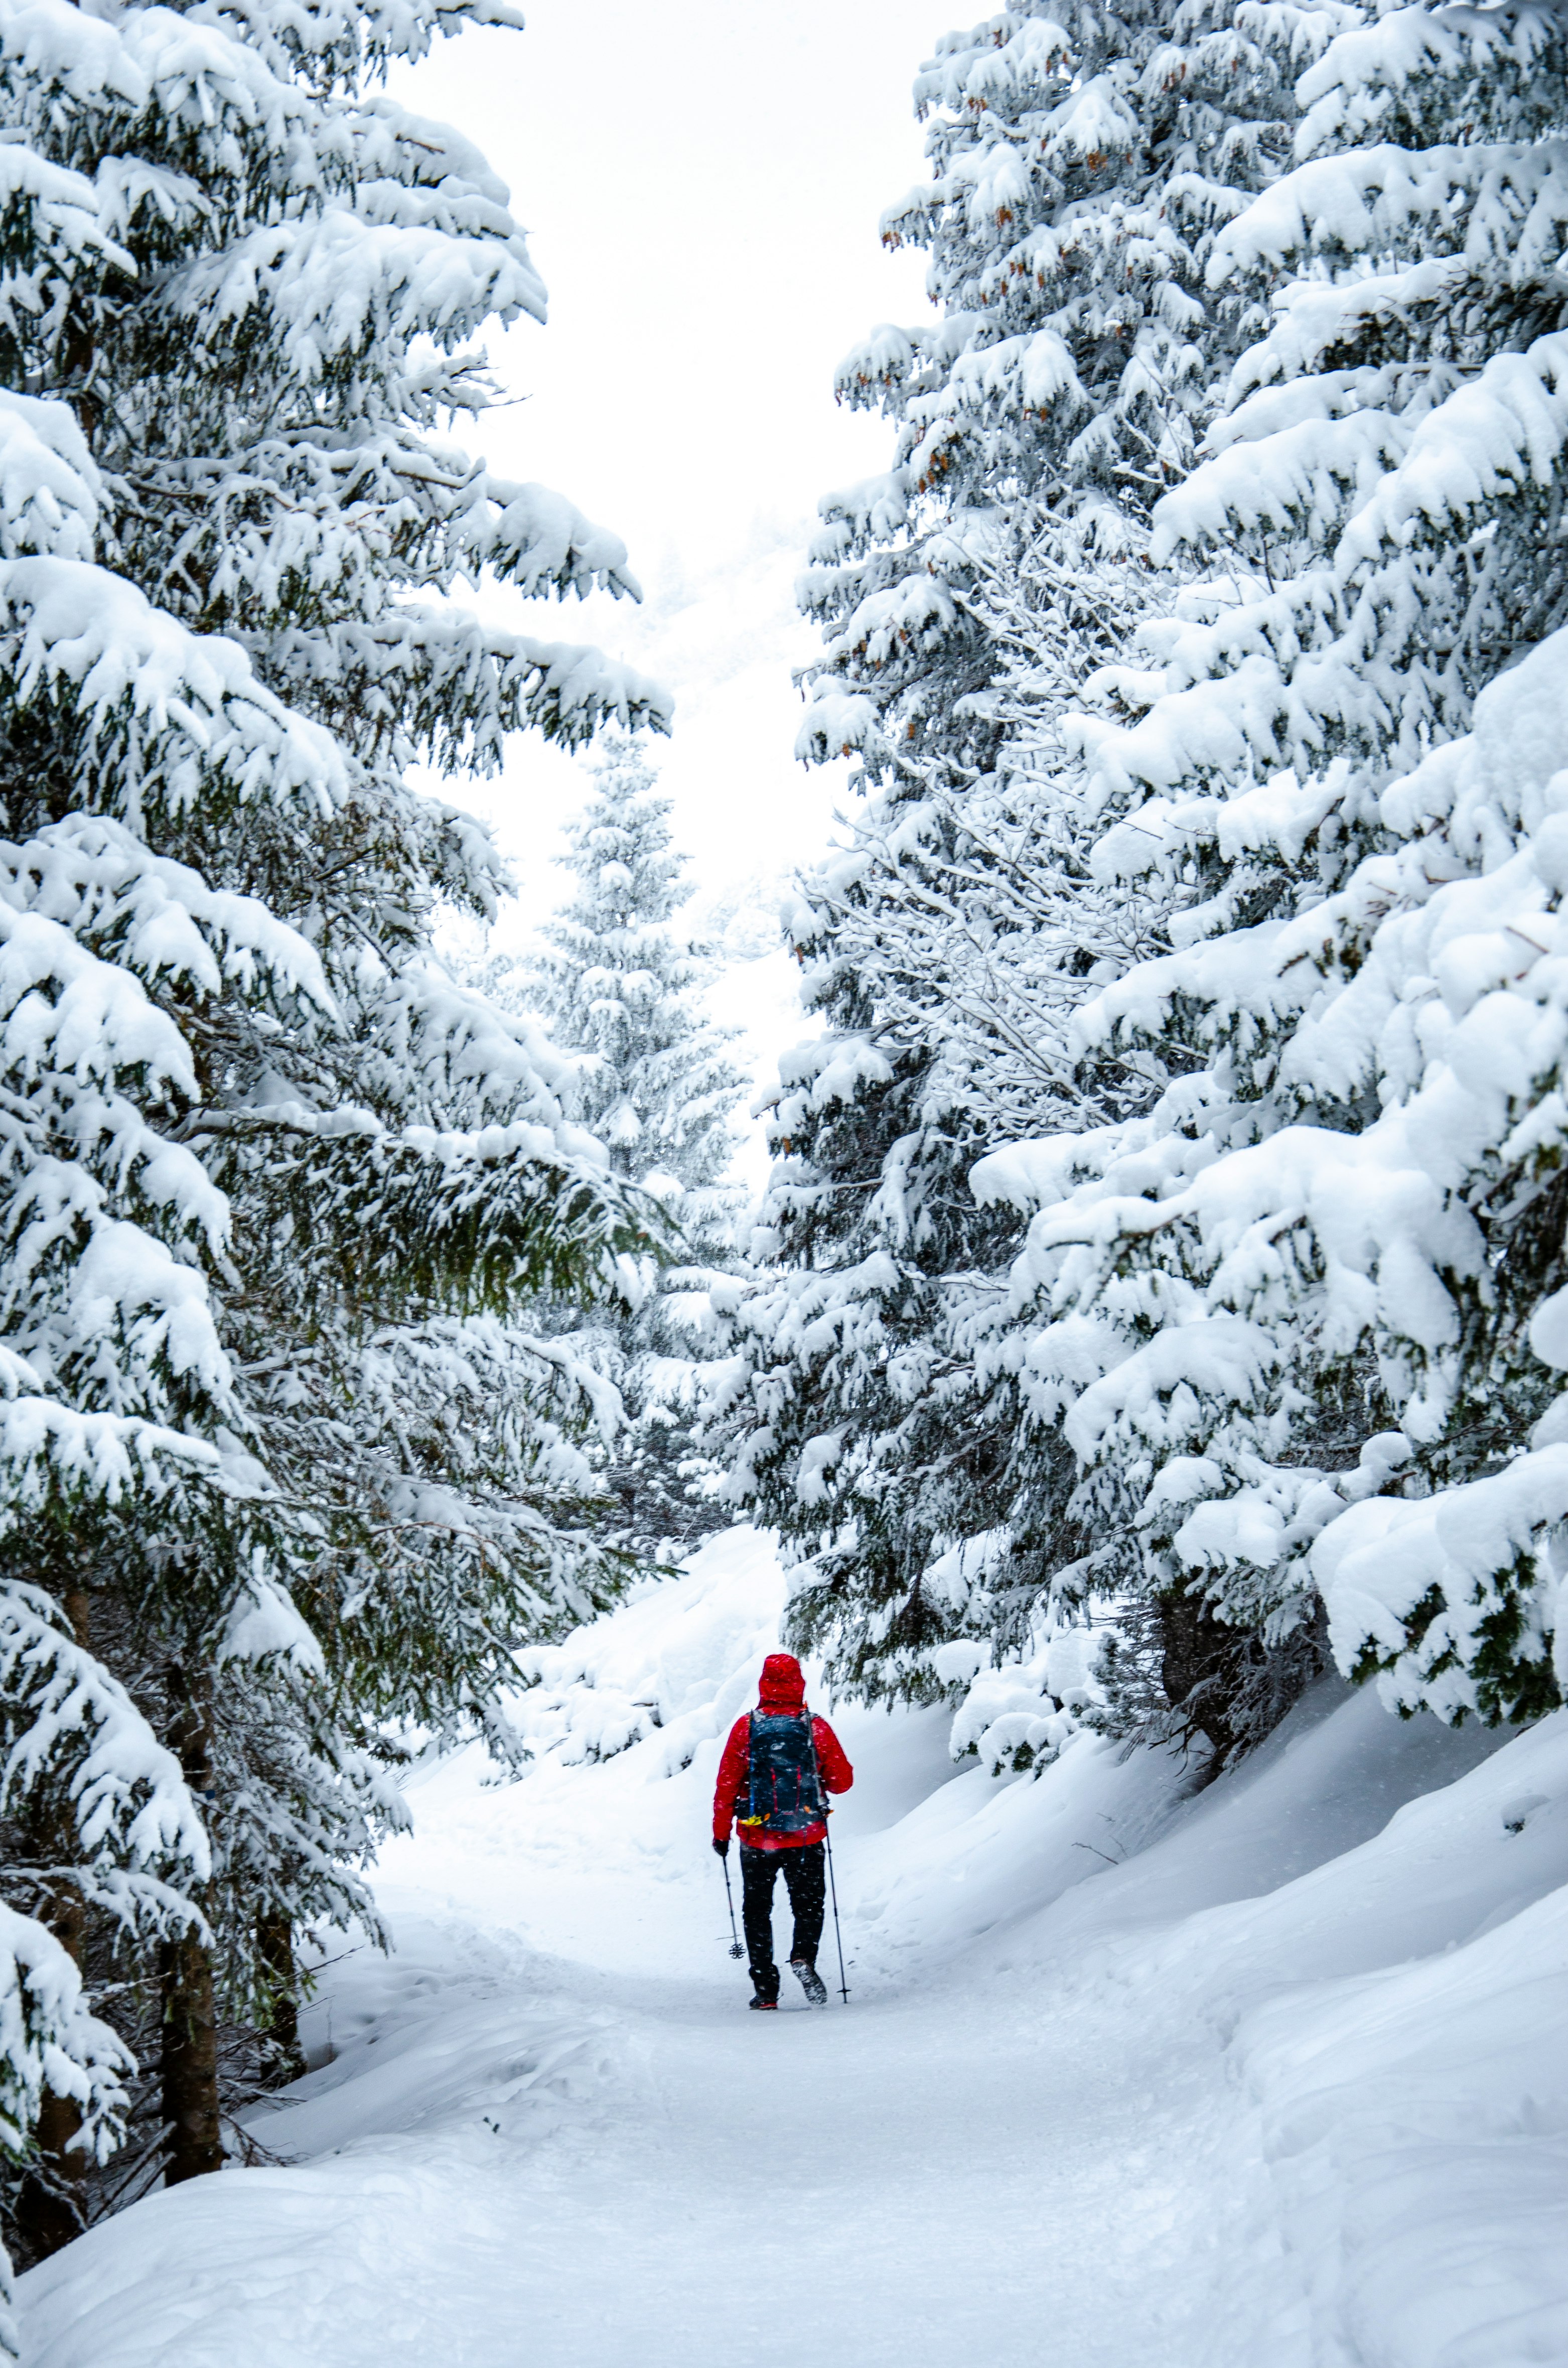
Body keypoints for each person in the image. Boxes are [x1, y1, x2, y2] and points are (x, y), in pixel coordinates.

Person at [712, 1652, 853, 2009]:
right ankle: (803, 1957)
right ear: (798, 1683)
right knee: (808, 1907)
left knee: (757, 1910)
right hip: (806, 1836)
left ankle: (766, 1992)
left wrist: (720, 1833)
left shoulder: (747, 1727)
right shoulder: (813, 1726)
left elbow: (726, 1784)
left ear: (763, 1683)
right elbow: (843, 1782)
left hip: (756, 1838)